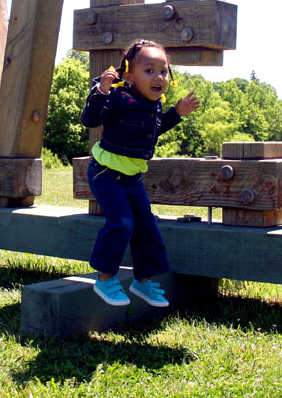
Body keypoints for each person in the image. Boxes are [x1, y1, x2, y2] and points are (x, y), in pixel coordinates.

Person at [81, 39, 201, 307]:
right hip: (106, 173)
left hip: (132, 179)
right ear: (129, 76)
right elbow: (90, 120)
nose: (158, 77)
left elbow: (154, 129)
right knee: (123, 222)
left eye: (163, 71)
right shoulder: (119, 97)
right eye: (149, 70)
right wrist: (101, 90)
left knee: (146, 225)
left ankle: (142, 281)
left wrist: (177, 113)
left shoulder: (154, 103)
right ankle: (105, 279)